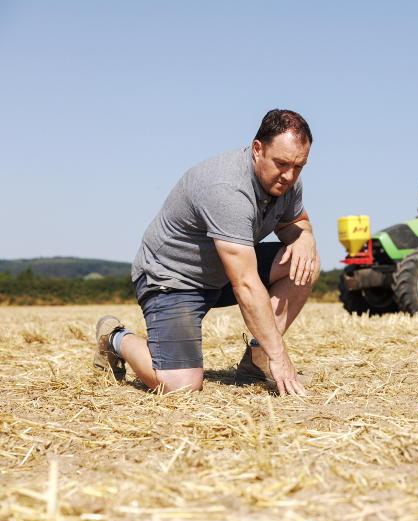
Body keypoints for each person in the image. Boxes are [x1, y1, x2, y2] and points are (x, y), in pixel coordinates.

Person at [93, 109, 318, 396]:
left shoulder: (286, 181)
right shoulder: (226, 189)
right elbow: (246, 284)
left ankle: (256, 361)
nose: (289, 175)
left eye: (299, 166)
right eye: (282, 163)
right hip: (173, 279)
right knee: (181, 385)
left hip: (220, 272)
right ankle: (115, 338)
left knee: (304, 263)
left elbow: (294, 223)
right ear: (257, 149)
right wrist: (280, 356)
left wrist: (305, 237)